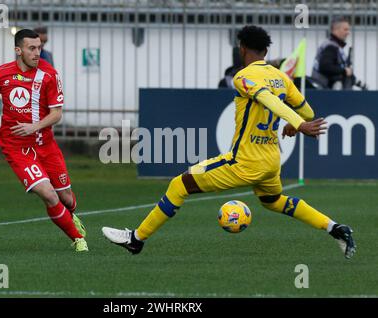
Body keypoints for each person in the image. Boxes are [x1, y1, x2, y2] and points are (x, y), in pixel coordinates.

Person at [102, 25, 356, 259]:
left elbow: (269, 100)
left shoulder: (243, 77)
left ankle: (136, 239)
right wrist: (297, 122)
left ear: (241, 48)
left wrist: (297, 125)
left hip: (245, 161)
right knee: (274, 201)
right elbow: (308, 111)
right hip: (270, 160)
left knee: (179, 184)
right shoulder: (281, 77)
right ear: (266, 50)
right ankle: (335, 228)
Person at [0, 29, 88, 252]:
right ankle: (78, 239)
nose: (37, 53)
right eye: (31, 48)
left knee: (66, 198)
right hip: (16, 147)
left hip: (46, 145)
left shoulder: (49, 74)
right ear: (18, 50)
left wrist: (34, 126)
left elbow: (56, 113)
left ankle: (71, 216)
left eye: (39, 48)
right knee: (48, 194)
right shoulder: (2, 73)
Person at [312, 17, 355, 90]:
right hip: (326, 92)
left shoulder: (335, 46)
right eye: (345, 29)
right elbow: (325, 66)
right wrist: (344, 71)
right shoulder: (330, 47)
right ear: (335, 30)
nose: (348, 33)